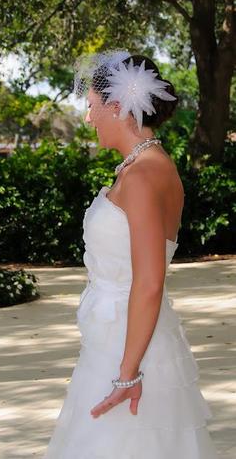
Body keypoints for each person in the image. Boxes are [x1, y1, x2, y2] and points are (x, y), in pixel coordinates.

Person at [44, 52, 218, 458]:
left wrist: (127, 374)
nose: (88, 118)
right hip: (114, 339)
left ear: (117, 106)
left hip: (130, 347)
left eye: (91, 106)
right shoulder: (140, 167)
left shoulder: (143, 175)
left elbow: (149, 281)